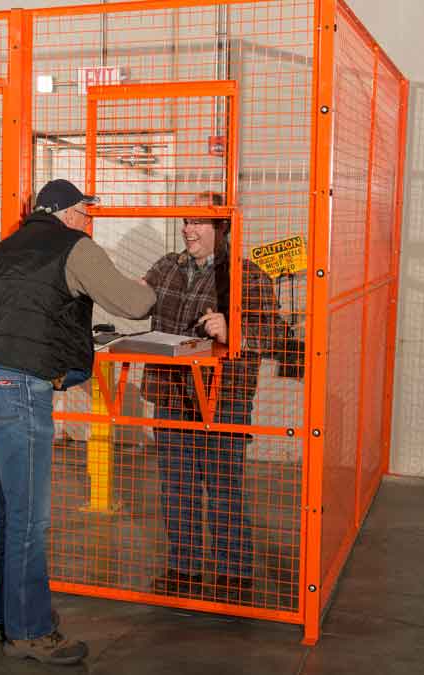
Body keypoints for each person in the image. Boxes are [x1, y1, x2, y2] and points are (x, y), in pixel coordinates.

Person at [0, 179, 156, 665]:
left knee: (8, 511)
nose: (89, 221)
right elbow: (133, 305)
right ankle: (30, 631)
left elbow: (23, 313)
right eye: (85, 213)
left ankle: (2, 618)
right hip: (21, 391)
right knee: (29, 518)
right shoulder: (74, 248)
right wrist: (153, 288)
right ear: (67, 214)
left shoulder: (0, 252)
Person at [141, 191, 296, 598]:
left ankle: (233, 573)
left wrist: (234, 332)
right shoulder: (166, 267)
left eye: (197, 222)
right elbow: (135, 301)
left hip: (222, 396)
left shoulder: (246, 275)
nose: (187, 229)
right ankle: (184, 569)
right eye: (186, 221)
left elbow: (276, 334)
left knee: (224, 485)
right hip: (170, 394)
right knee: (176, 486)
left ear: (221, 228)